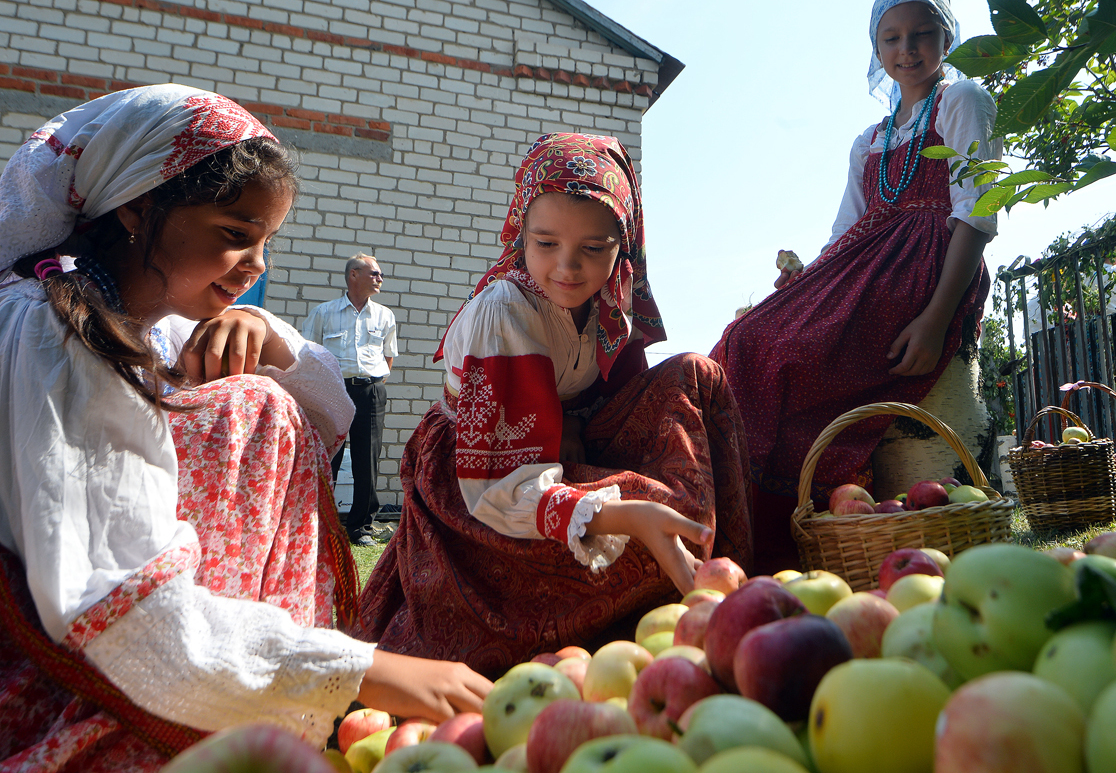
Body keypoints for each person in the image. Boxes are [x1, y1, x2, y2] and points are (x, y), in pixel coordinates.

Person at [0, 84, 491, 771]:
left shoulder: (156, 327)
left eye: (266, 242)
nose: (257, 265)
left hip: (155, 649)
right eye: (235, 236)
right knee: (252, 408)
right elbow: (106, 595)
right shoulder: (53, 329)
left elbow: (329, 416)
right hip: (95, 669)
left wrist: (268, 333)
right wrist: (353, 670)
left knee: (267, 401)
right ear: (138, 207)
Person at [354, 132, 753, 676]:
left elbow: (620, 390)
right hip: (486, 477)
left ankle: (726, 586)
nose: (568, 267)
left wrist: (572, 430)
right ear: (520, 231)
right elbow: (495, 483)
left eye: (594, 248)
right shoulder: (504, 314)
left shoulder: (613, 299)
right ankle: (655, 572)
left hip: (558, 444)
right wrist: (621, 511)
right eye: (545, 243)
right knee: (636, 519)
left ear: (624, 245)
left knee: (695, 375)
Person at [710, 0, 1000, 573]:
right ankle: (752, 528)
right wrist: (805, 281)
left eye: (923, 34)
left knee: (789, 350)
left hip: (926, 266)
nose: (908, 50)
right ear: (877, 50)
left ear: (947, 37)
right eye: (891, 38)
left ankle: (788, 520)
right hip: (866, 266)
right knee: (747, 340)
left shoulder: (964, 100)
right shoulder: (869, 141)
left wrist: (936, 318)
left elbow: (978, 211)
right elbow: (846, 232)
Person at [303, 253, 400, 546]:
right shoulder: (324, 312)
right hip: (333, 391)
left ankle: (360, 528)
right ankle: (319, 524)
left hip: (370, 393)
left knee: (366, 461)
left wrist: (370, 385)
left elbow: (388, 357)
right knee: (327, 458)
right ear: (353, 275)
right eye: (375, 273)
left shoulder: (385, 315)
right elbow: (308, 353)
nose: (380, 279)